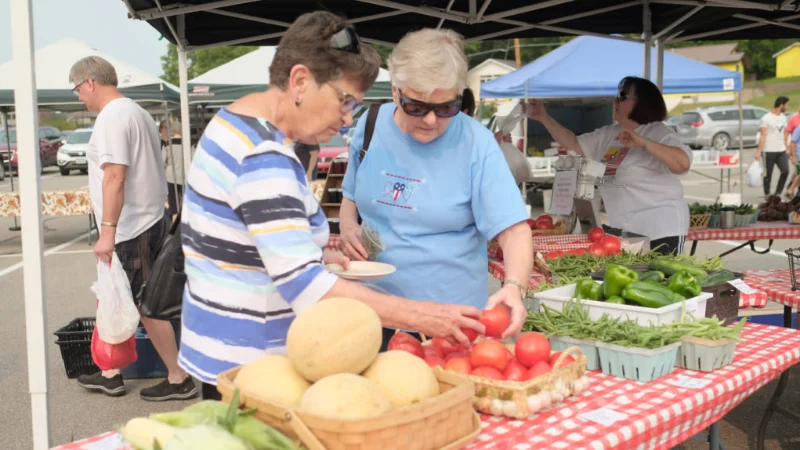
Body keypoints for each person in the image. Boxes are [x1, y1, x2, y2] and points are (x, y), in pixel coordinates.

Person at [179, 12, 486, 401]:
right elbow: (307, 288)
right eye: (344, 101)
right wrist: (421, 315)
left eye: (354, 107)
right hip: (256, 370)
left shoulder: (231, 121)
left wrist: (316, 251)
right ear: (300, 81)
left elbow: (241, 239)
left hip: (219, 352)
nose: (346, 119)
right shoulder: (265, 157)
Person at [338, 28, 532, 350]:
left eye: (445, 108)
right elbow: (351, 198)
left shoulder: (475, 143)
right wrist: (347, 229)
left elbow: (513, 229)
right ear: (396, 91)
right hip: (373, 312)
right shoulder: (370, 125)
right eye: (417, 107)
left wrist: (514, 285)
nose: (430, 120)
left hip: (450, 323)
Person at [70, 56, 197, 401]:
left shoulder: (112, 117)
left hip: (131, 225)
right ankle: (111, 371)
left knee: (147, 301)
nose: (79, 96)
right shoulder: (138, 112)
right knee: (134, 296)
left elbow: (115, 175)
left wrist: (107, 231)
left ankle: (178, 377)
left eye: (78, 89)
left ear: (90, 83)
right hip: (148, 218)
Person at [525, 77, 691, 255]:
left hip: (662, 230)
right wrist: (543, 117)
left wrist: (643, 142)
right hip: (625, 232)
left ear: (642, 102)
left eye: (622, 95)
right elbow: (573, 144)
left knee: (660, 282)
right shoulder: (609, 134)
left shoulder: (658, 131)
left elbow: (682, 164)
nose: (615, 101)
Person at [755, 96, 790, 197]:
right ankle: (767, 194)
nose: (787, 107)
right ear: (781, 105)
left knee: (785, 171)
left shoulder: (783, 117)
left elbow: (784, 133)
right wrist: (758, 151)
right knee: (767, 174)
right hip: (768, 151)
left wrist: (786, 147)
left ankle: (778, 193)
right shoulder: (766, 118)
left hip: (781, 150)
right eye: (786, 105)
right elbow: (763, 135)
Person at [160, 120, 184, 219]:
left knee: (174, 208)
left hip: (171, 177)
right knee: (183, 205)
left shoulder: (167, 144)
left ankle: (174, 229)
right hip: (184, 177)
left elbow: (162, 161)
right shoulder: (187, 143)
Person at [786, 126, 800, 198]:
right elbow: (793, 142)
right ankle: (791, 189)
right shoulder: (799, 129)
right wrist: (793, 156)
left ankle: (792, 190)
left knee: (797, 173)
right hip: (799, 154)